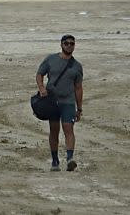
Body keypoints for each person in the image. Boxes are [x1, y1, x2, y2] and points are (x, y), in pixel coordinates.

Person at [36, 34, 84, 171]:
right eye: (67, 43)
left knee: (69, 129)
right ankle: (55, 161)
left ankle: (70, 159)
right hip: (53, 102)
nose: (69, 46)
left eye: (72, 44)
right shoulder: (51, 60)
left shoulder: (77, 66)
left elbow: (78, 88)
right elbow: (39, 74)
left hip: (68, 103)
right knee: (54, 130)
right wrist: (41, 88)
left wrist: (79, 108)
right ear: (61, 44)